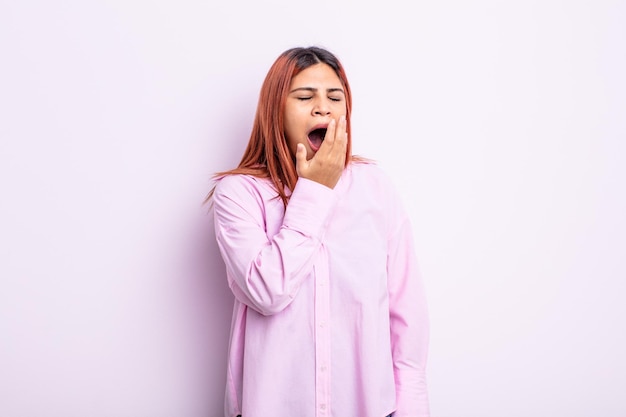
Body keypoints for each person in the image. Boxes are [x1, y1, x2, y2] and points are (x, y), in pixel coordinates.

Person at [207, 46, 430, 417]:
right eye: (305, 96)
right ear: (275, 109)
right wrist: (315, 191)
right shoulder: (239, 194)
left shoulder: (375, 188)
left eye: (335, 97)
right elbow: (267, 291)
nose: (323, 108)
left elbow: (406, 317)